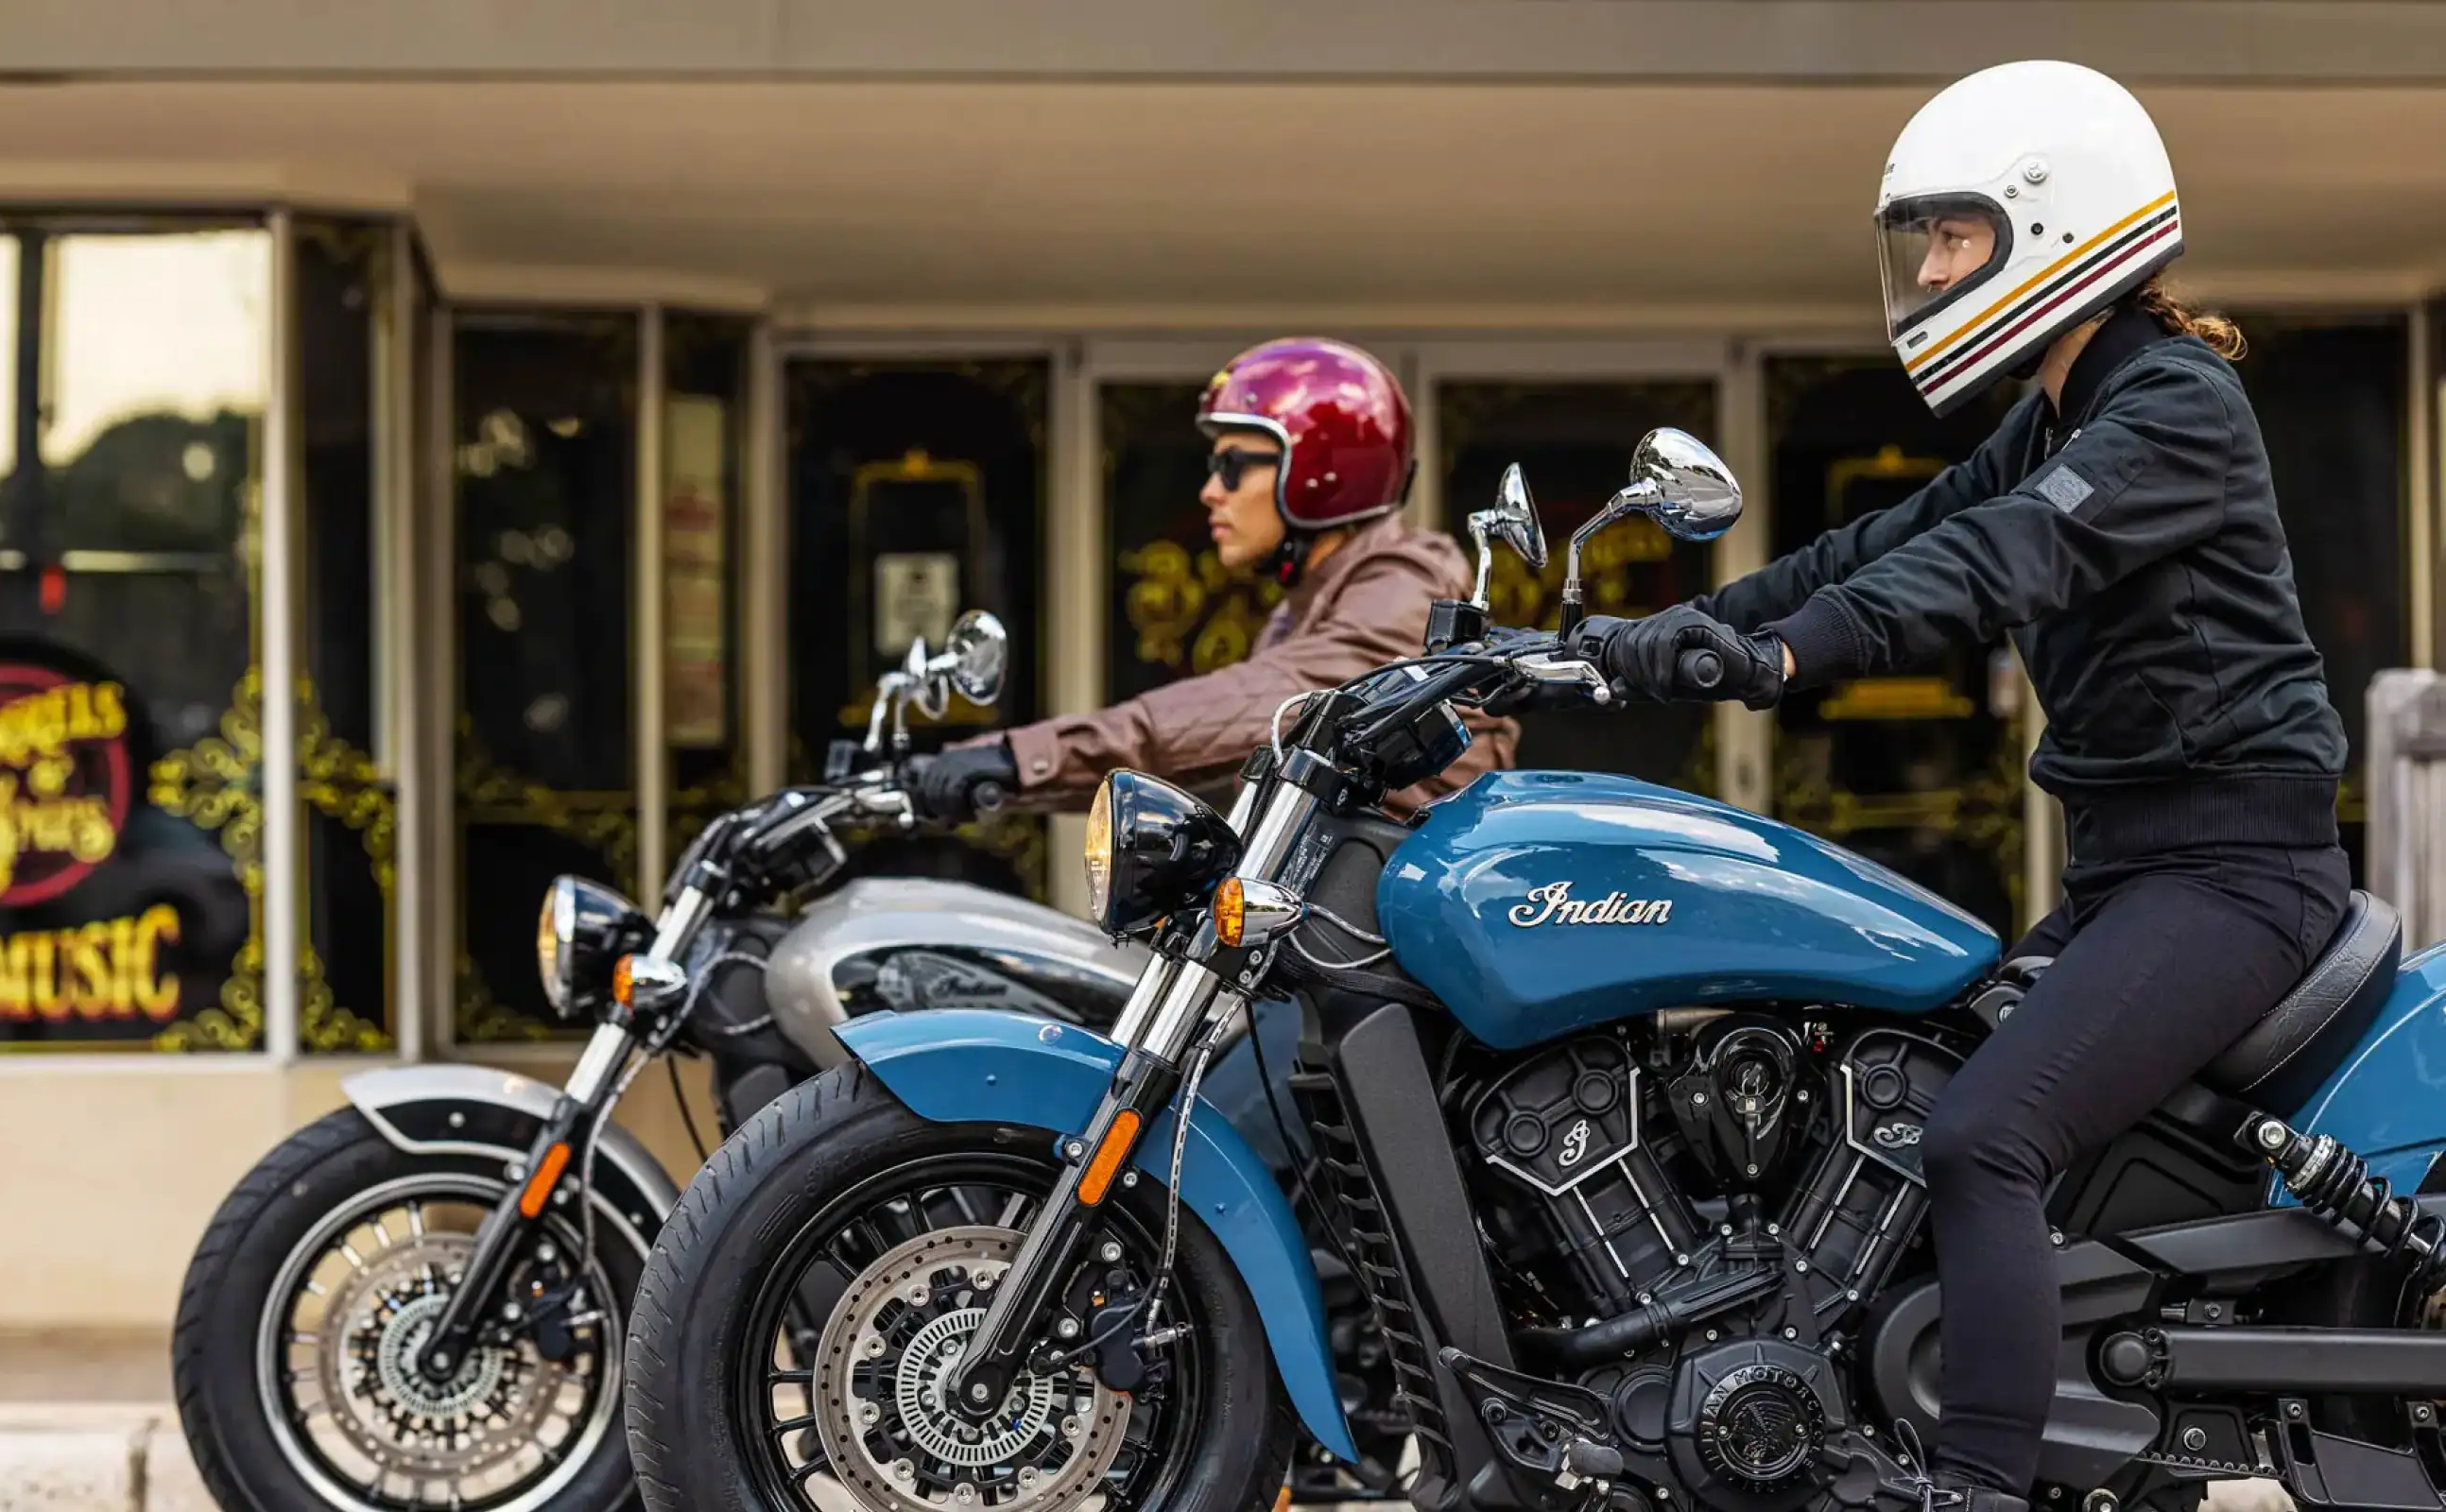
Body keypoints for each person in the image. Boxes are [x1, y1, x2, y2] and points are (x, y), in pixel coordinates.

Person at [1575, 60, 2349, 1512]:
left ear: (2062, 227)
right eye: (1923, 242)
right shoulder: (2054, 415)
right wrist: (1664, 636)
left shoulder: (2170, 405)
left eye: (1956, 237)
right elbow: (1889, 540)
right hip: (2133, 868)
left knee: (1985, 1136)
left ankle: (1982, 1486)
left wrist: (1784, 666)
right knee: (1897, 1088)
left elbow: (1995, 563)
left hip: (2236, 874)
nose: (1929, 270)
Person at [909, 335, 1517, 820]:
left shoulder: (1405, 592)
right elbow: (1194, 754)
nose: (1209, 492)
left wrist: (1017, 758)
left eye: (1232, 467)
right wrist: (989, 779)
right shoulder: (1309, 605)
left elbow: (1245, 709)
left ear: (1319, 473)